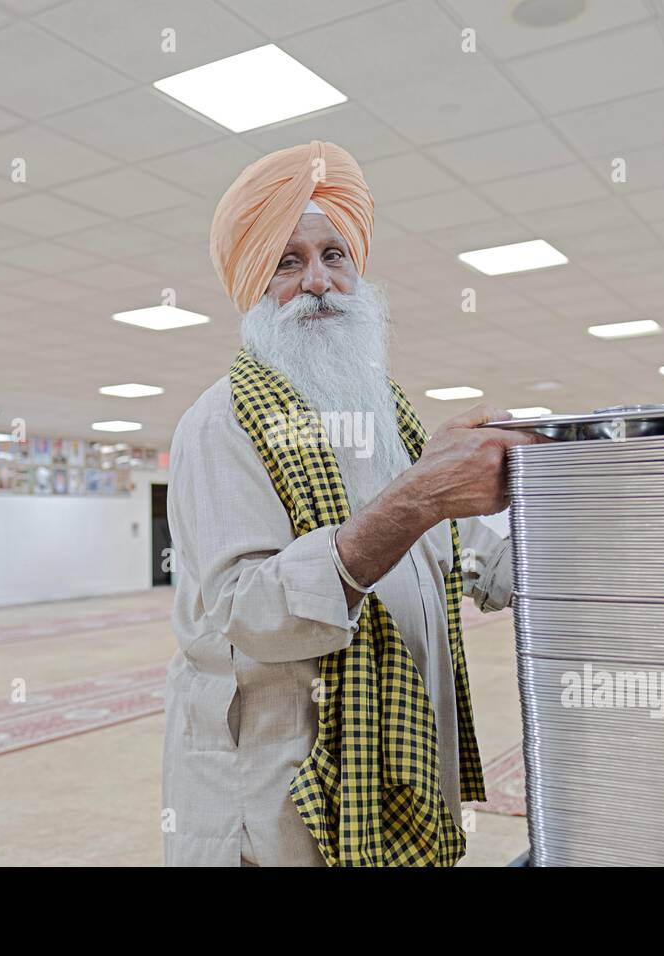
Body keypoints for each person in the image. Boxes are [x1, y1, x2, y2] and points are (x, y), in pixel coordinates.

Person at [162, 140, 542, 867]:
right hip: (279, 805)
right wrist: (418, 497)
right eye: (288, 261)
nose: (319, 283)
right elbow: (247, 614)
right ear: (252, 286)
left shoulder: (383, 419)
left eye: (335, 256)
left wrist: (568, 534)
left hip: (396, 783)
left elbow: (439, 562)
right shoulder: (222, 425)